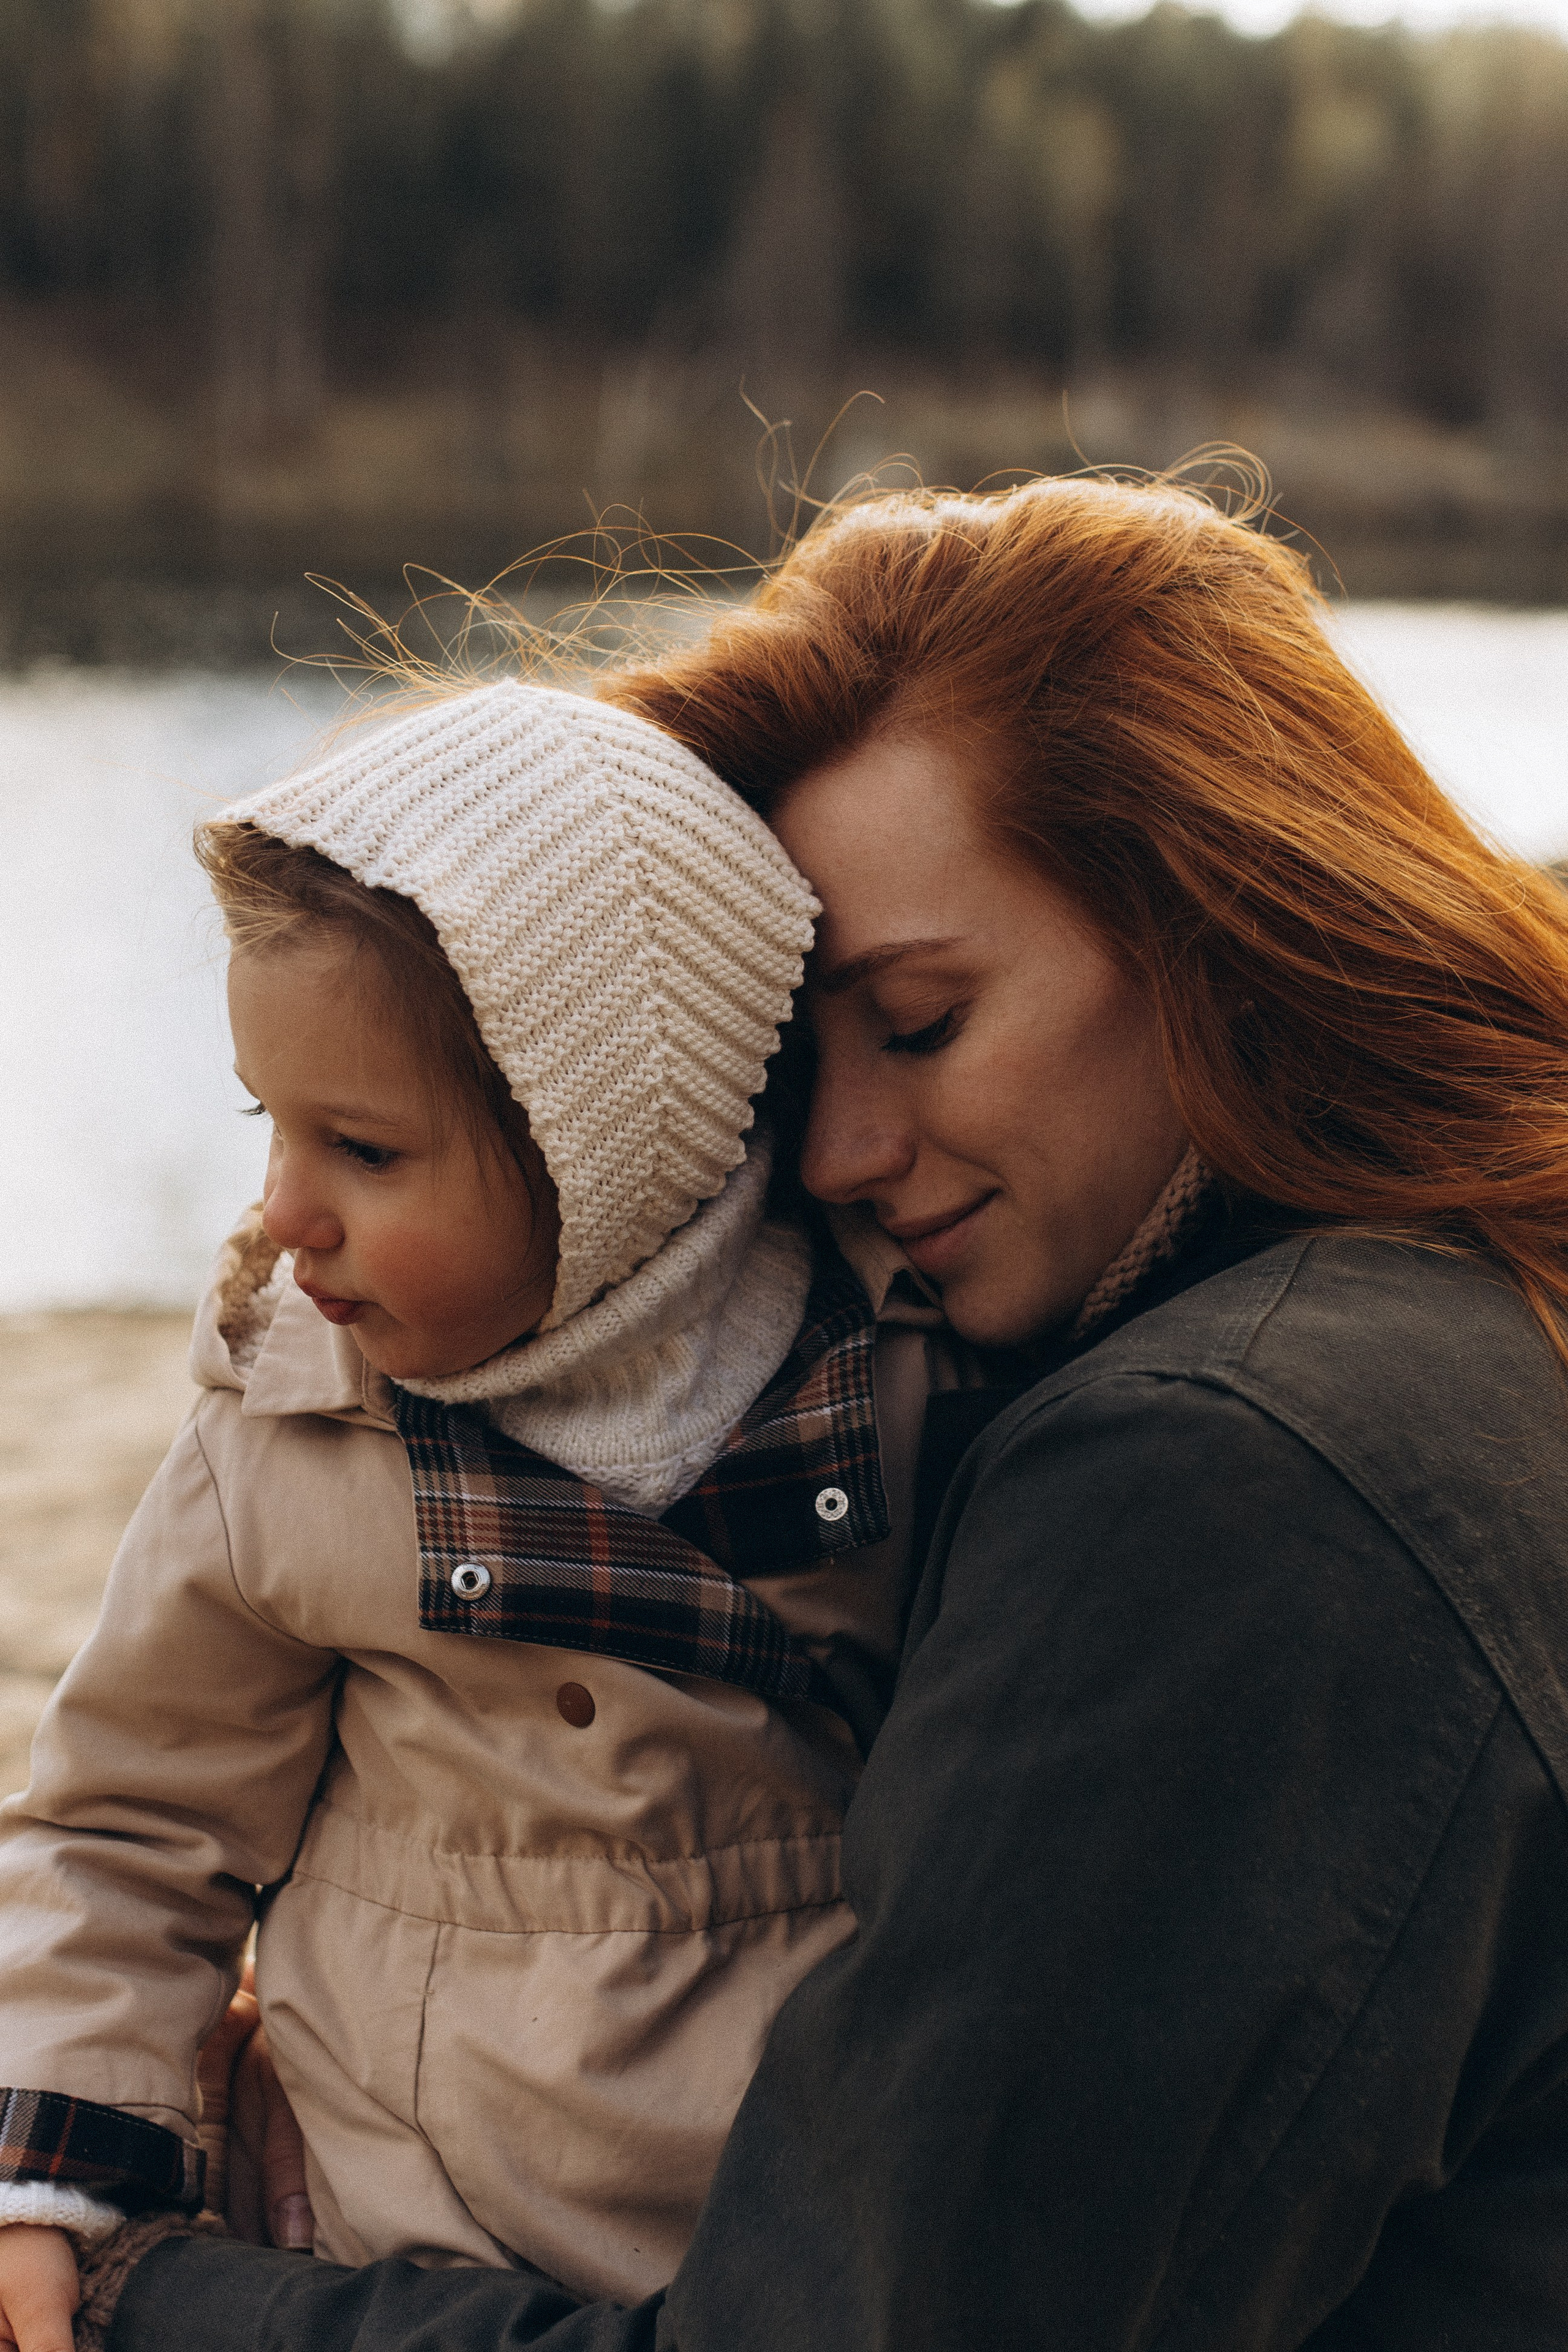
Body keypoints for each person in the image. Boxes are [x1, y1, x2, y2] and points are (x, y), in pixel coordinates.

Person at [42, 468, 1568, 2350]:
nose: (835, 1154)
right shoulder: (1468, 1302)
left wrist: (158, 2298)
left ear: (1223, 917)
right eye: (785, 1078)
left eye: (920, 1021)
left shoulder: (1230, 1480)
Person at [0, 682, 1015, 2352]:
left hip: (768, 2225)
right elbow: (130, 1827)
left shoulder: (902, 1381)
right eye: (271, 1125)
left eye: (367, 1150)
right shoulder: (293, 1427)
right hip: (392, 2228)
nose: (284, 1217)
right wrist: (58, 2163)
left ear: (609, 1147)